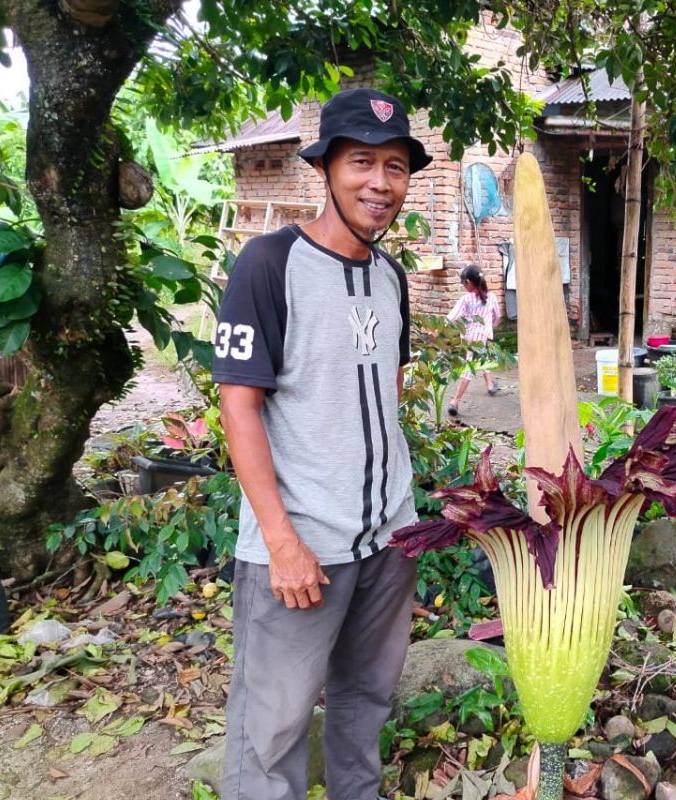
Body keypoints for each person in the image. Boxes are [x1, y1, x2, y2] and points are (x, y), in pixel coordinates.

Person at [213, 87, 433, 800]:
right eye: (362, 162)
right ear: (325, 169)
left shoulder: (391, 278)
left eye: (395, 166)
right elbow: (239, 407)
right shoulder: (269, 265)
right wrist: (280, 540)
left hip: (387, 543)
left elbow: (384, 397)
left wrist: (405, 521)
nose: (380, 183)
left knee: (364, 709)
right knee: (270, 734)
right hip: (302, 548)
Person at [445, 263, 500, 417]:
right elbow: (497, 317)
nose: (463, 286)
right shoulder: (492, 297)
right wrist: (490, 328)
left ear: (468, 282)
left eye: (463, 283)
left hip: (469, 336)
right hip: (483, 336)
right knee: (472, 365)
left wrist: (437, 330)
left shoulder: (466, 299)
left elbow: (451, 317)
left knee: (478, 361)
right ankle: (455, 402)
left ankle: (488, 385)